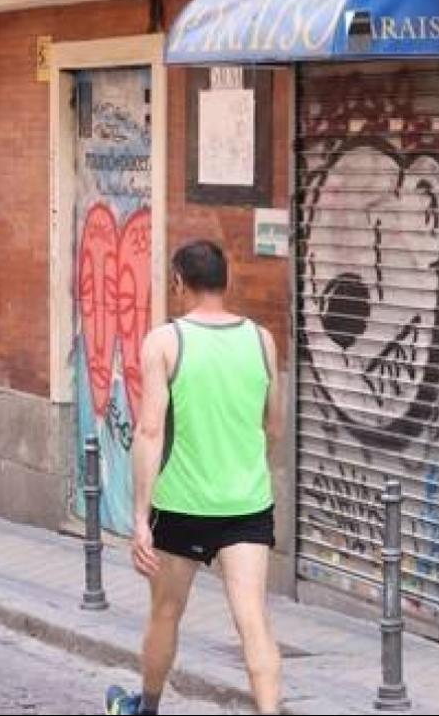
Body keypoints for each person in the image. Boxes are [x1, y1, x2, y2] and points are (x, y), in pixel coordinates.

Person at [106, 240, 282, 715]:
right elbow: (274, 425)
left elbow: (149, 431)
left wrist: (139, 517)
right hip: (247, 504)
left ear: (179, 283)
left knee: (166, 613)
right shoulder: (261, 340)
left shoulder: (165, 342)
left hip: (181, 504)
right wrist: (243, 468)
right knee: (254, 621)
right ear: (228, 281)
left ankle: (147, 708)